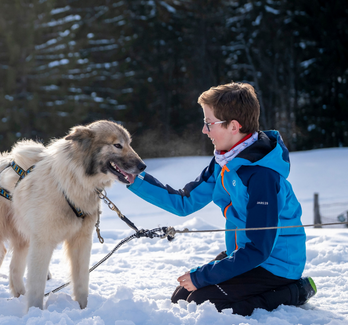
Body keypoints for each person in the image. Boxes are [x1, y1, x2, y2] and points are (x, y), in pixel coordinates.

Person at [126, 82, 316, 316]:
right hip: (245, 255)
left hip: (274, 265)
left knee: (207, 305)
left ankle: (294, 291)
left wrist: (201, 276)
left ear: (234, 126)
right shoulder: (225, 161)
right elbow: (184, 202)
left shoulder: (262, 176)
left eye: (208, 123)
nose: (204, 130)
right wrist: (134, 178)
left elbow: (259, 249)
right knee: (182, 298)